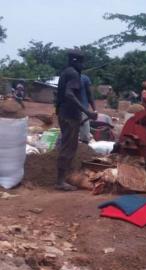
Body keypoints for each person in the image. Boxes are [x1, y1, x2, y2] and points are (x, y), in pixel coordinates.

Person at [55, 50, 98, 191]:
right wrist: (87, 112)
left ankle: (63, 178)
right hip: (69, 115)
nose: (83, 65)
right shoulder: (73, 73)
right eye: (81, 62)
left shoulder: (66, 72)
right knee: (69, 147)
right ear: (74, 61)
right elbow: (69, 94)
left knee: (68, 145)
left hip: (65, 113)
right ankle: (60, 182)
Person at [79, 74, 96, 143]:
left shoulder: (84, 78)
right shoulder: (84, 78)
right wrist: (94, 109)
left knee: (84, 137)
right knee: (84, 137)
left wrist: (95, 110)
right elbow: (89, 94)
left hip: (81, 111)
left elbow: (89, 94)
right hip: (82, 111)